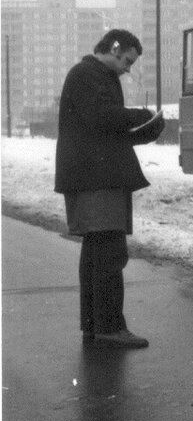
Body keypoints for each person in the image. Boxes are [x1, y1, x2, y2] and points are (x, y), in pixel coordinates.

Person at [54, 28, 165, 349]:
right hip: (95, 178)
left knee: (97, 251)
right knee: (108, 252)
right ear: (115, 48)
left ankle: (95, 325)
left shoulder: (97, 76)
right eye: (128, 60)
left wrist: (146, 130)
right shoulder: (86, 74)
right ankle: (109, 326)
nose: (128, 68)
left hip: (96, 175)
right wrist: (143, 116)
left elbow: (105, 128)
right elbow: (102, 118)